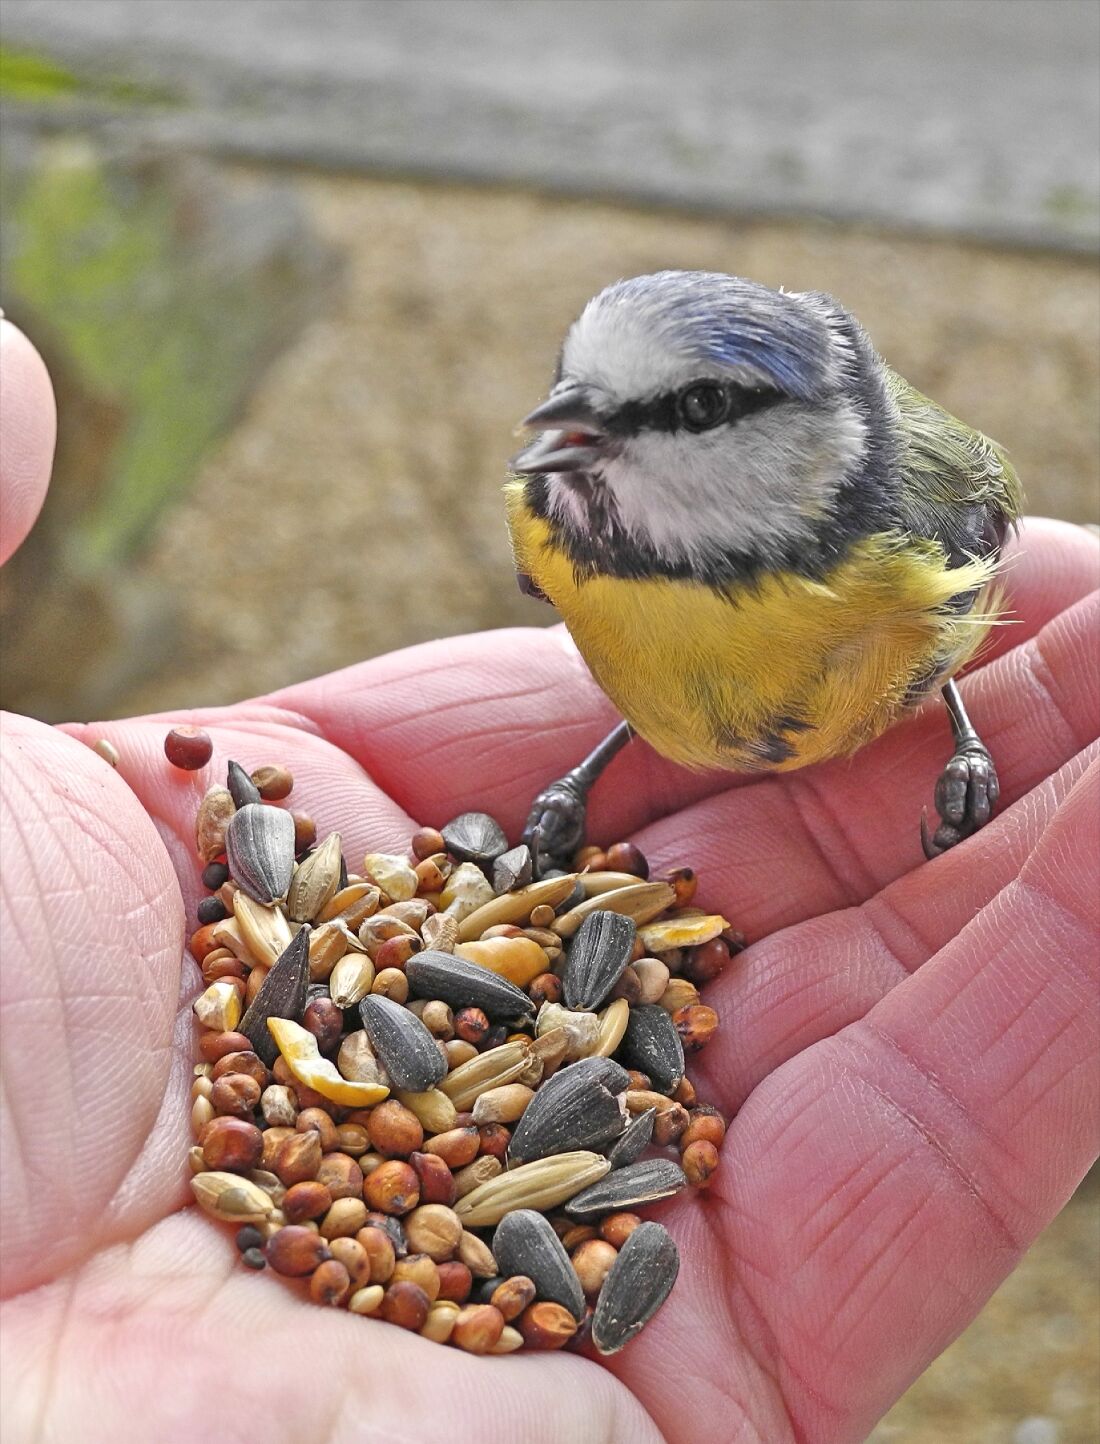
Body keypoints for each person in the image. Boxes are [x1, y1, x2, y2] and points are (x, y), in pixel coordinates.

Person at [1, 317, 1096, 1444]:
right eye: (578, 388)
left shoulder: (908, 519)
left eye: (682, 414)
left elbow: (981, 534)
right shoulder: (558, 515)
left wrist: (961, 742)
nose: (572, 433)